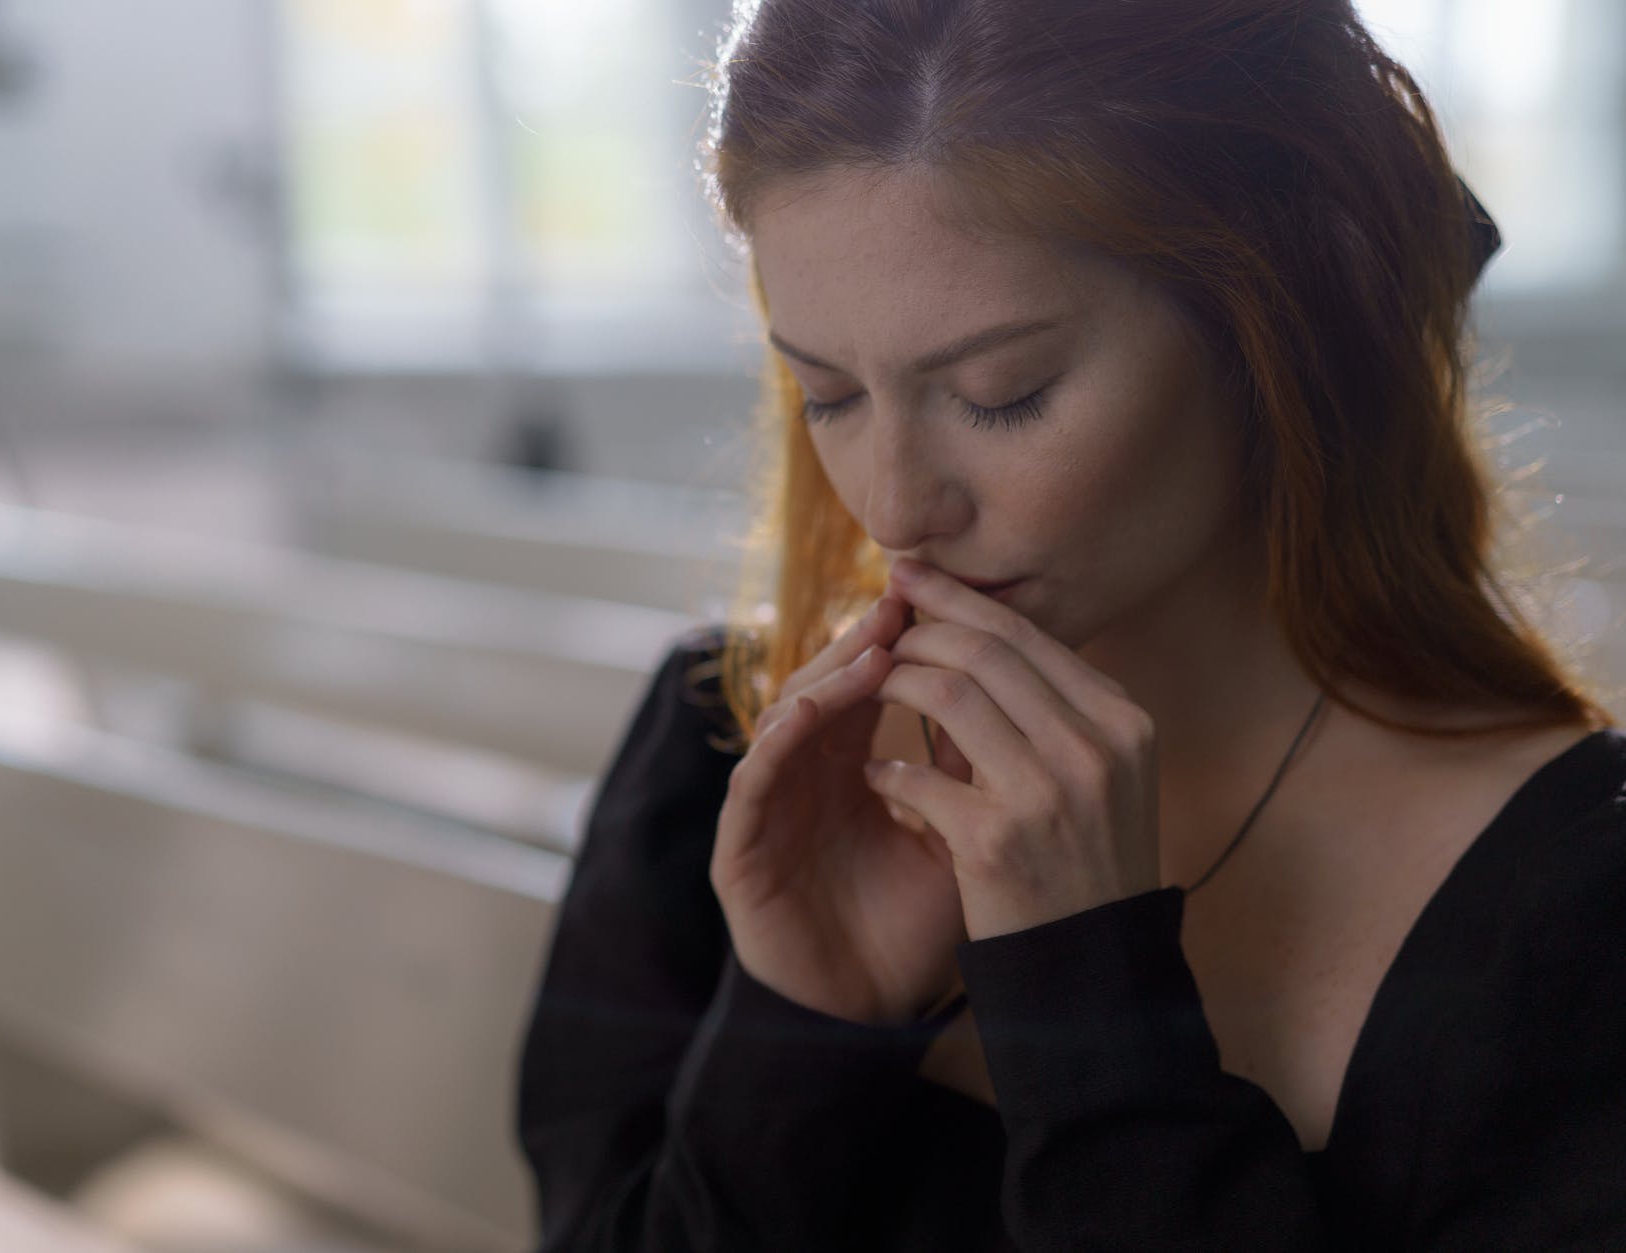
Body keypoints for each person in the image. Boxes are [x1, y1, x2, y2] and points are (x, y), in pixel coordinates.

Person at [514, 0, 1626, 1248]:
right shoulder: (730, 755)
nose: (891, 504)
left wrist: (1087, 1000)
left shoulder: (1577, 901)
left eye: (1004, 393)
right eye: (826, 393)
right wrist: (798, 1028)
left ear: (1278, 336)